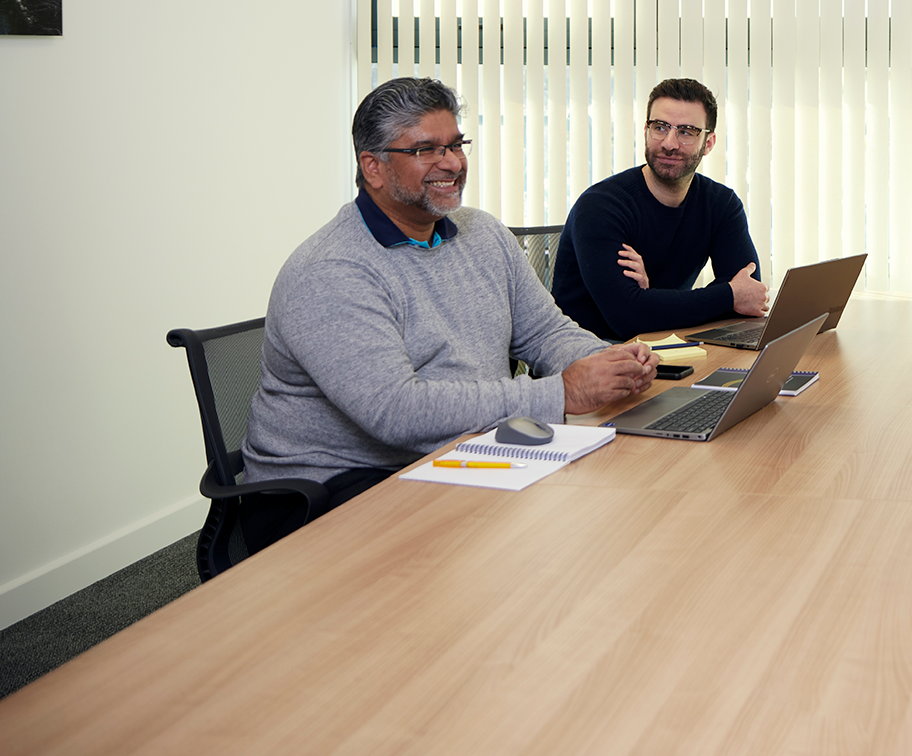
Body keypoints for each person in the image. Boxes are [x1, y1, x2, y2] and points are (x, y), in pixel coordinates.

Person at [241, 78, 658, 550]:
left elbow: (544, 331)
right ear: (373, 167)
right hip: (335, 493)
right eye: (426, 150)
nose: (452, 163)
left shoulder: (483, 233)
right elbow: (397, 412)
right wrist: (562, 392)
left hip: (460, 454)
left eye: (456, 145)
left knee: (609, 519)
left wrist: (611, 362)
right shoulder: (331, 271)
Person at [550, 77, 769, 340]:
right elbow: (628, 317)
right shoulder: (601, 206)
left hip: (664, 345)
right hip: (589, 353)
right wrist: (727, 295)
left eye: (687, 131)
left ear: (708, 143)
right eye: (660, 127)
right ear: (646, 130)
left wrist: (650, 299)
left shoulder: (720, 204)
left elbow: (748, 298)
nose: (669, 143)